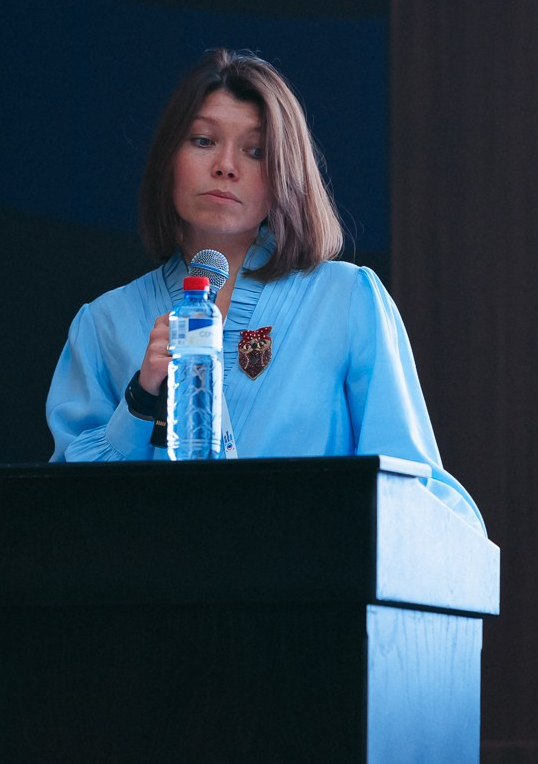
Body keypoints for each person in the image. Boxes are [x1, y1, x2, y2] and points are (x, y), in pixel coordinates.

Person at [46, 48, 483, 530]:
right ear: (168, 159)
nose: (226, 166)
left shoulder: (345, 299)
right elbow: (66, 512)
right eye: (203, 141)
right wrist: (140, 400)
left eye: (255, 151)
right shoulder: (104, 323)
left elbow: (413, 488)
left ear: (284, 174)